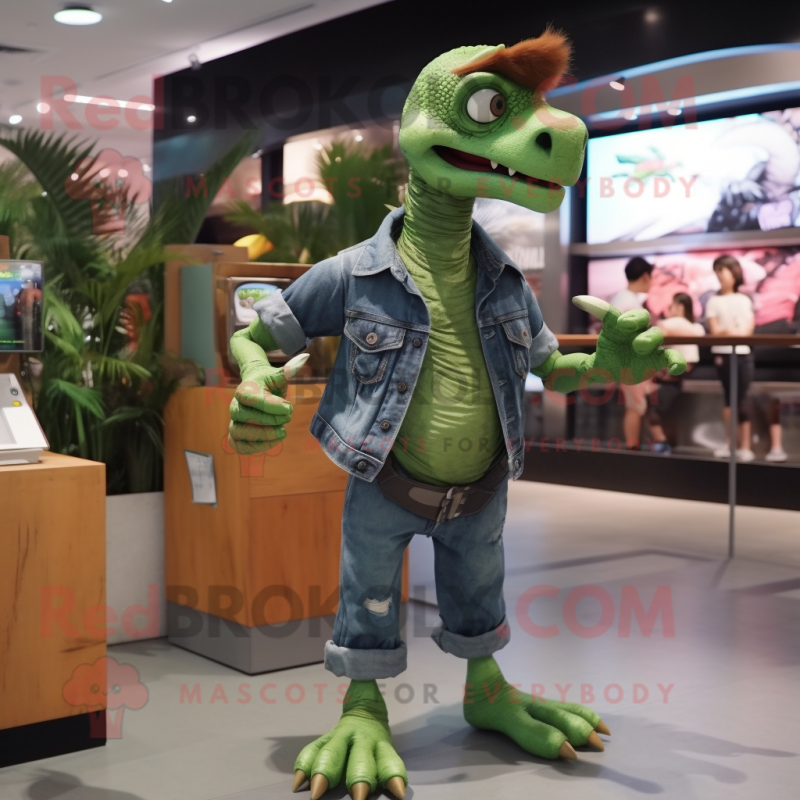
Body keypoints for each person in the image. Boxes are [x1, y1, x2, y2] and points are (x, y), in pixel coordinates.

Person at [706, 255, 756, 461]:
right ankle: (729, 443)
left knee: (742, 398)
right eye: (717, 271)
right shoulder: (713, 301)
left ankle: (745, 446)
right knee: (729, 397)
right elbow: (715, 331)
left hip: (743, 353)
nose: (720, 275)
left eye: (722, 270)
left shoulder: (745, 299)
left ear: (734, 272)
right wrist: (730, 332)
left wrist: (729, 332)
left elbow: (748, 330)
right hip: (723, 354)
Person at [647, 292, 706, 453]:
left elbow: (658, 335)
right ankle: (664, 442)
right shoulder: (696, 327)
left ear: (679, 307)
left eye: (671, 306)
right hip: (679, 373)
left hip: (668, 375)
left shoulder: (668, 324)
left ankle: (662, 442)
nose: (668, 309)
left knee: (651, 408)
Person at [610, 257, 656, 450]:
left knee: (636, 405)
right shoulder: (627, 301)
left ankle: (634, 448)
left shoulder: (624, 298)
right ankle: (632, 449)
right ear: (645, 276)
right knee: (635, 406)